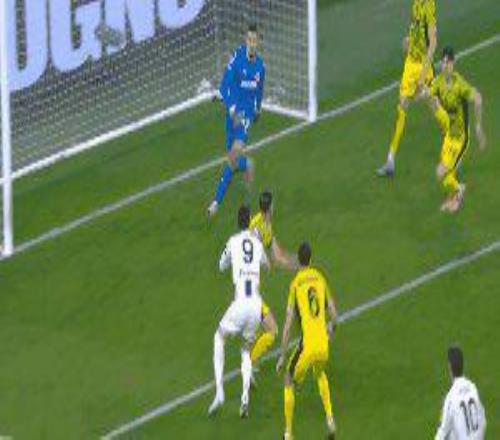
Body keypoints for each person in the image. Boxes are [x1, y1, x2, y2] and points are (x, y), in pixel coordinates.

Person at [208, 205, 270, 418]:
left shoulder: (233, 242)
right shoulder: (257, 242)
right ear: (250, 221)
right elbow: (267, 266)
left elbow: (221, 265)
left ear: (237, 222)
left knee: (219, 337)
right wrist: (259, 242)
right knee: (245, 350)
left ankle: (219, 392)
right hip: (256, 305)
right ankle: (245, 397)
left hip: (241, 301)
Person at [276, 242, 338, 440]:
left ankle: (288, 433)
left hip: (308, 346)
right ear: (311, 259)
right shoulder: (320, 277)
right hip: (323, 344)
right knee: (320, 374)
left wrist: (282, 356)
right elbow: (334, 313)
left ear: (299, 259)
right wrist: (332, 329)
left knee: (288, 377)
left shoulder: (296, 284)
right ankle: (330, 420)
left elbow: (287, 325)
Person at [208, 24, 266, 217]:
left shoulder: (260, 67)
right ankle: (247, 164)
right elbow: (226, 81)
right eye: (249, 39)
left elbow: (259, 91)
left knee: (232, 157)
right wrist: (228, 102)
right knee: (232, 158)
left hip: (245, 118)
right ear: (245, 41)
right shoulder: (237, 57)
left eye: (255, 40)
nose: (252, 43)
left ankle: (216, 202)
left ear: (258, 42)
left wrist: (257, 109)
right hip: (232, 114)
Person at [377, 0, 439, 177]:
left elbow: (433, 44)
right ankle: (390, 161)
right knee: (402, 107)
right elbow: (415, 28)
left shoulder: (429, 6)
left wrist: (423, 76)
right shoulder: (415, 3)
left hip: (423, 66)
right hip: (410, 64)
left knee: (434, 106)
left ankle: (453, 151)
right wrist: (408, 41)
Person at [423, 46, 486, 212]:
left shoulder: (459, 84)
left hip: (461, 138)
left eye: (448, 62)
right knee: (444, 174)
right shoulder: (438, 82)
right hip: (449, 136)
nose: (445, 66)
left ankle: (459, 192)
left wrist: (478, 126)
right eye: (443, 62)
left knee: (441, 172)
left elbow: (478, 98)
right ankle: (454, 196)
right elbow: (427, 95)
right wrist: (425, 95)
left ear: (453, 64)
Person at [249, 191, 297, 372]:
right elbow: (272, 258)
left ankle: (250, 358)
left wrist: (296, 263)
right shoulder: (258, 228)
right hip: (249, 288)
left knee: (257, 327)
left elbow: (277, 256)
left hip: (248, 286)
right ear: (270, 208)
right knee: (272, 329)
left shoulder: (264, 224)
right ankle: (249, 364)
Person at [435, 346, 487, 439]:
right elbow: (482, 420)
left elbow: (441, 434)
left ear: (449, 366)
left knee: (450, 430)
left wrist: (443, 411)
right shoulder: (473, 387)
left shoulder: (450, 398)